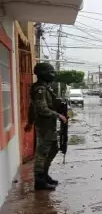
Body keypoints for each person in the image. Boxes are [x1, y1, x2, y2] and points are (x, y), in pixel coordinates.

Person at [27, 62, 67, 190]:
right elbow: (40, 108)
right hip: (44, 125)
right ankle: (39, 180)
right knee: (42, 152)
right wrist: (58, 115)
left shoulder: (45, 88)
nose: (52, 74)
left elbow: (32, 107)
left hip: (49, 125)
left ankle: (44, 174)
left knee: (53, 148)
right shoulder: (40, 89)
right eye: (50, 72)